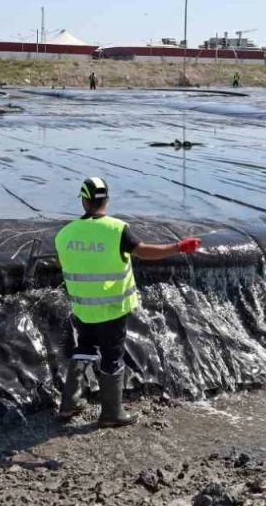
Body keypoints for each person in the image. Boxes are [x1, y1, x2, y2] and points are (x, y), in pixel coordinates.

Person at [54, 176, 200, 427]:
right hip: (112, 307)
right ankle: (111, 414)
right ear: (106, 200)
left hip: (83, 306)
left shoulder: (64, 234)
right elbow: (144, 252)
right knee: (112, 355)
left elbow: (65, 263)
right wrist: (178, 246)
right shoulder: (116, 229)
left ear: (84, 201)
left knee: (85, 347)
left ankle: (69, 404)